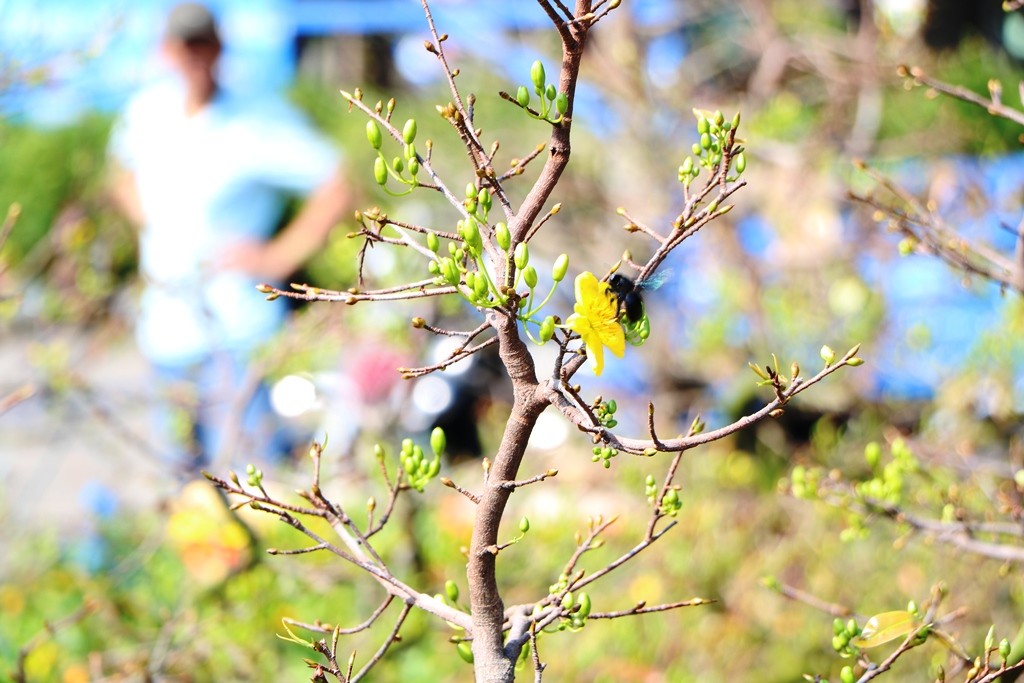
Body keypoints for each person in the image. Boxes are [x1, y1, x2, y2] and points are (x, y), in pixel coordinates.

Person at [108, 2, 349, 475]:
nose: (194, 55)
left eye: (203, 43)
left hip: (237, 333)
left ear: (219, 47)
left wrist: (280, 255)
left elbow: (336, 181)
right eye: (185, 44)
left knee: (249, 480)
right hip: (165, 331)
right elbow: (120, 170)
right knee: (180, 486)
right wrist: (152, 223)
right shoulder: (146, 112)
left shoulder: (255, 119)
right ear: (167, 50)